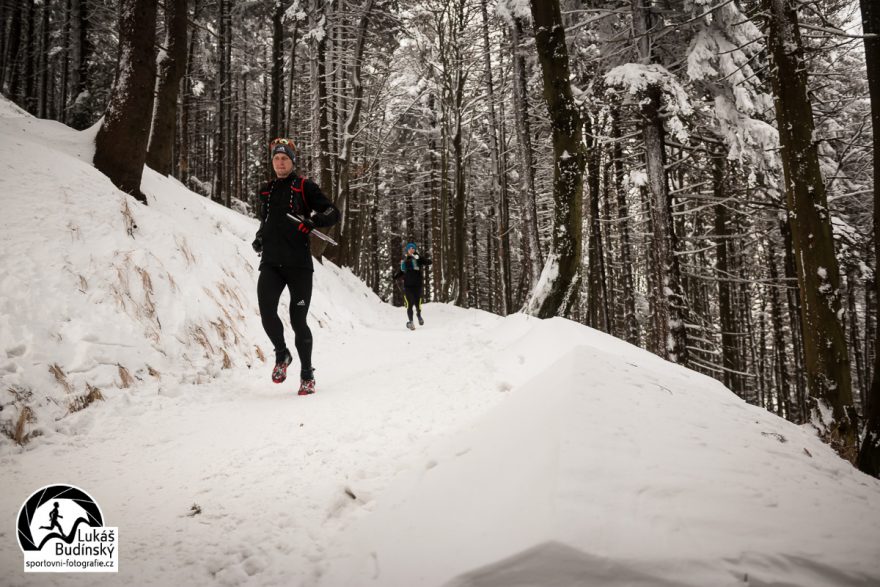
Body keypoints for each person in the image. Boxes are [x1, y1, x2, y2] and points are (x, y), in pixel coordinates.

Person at [252, 138, 340, 395]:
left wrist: (314, 221)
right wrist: (260, 238)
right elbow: (266, 220)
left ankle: (307, 374)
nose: (280, 163)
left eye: (285, 159)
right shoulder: (266, 190)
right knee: (267, 313)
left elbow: (333, 212)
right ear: (272, 162)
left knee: (297, 319)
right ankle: (282, 355)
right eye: (277, 159)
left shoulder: (305, 187)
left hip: (298, 265)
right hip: (271, 263)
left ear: (292, 161)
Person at [393, 242, 432, 330]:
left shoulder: (418, 259)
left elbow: (429, 262)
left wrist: (420, 258)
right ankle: (411, 322)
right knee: (409, 304)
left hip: (417, 285)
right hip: (408, 286)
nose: (412, 250)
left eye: (413, 248)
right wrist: (395, 276)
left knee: (418, 304)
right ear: (407, 250)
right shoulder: (405, 261)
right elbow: (402, 271)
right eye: (410, 248)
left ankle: (419, 315)